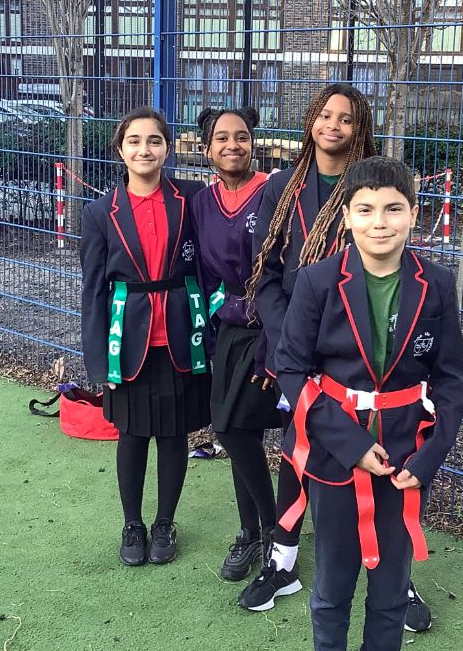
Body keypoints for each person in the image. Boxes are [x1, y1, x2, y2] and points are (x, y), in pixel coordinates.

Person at [274, 156, 463, 651]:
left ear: (414, 214)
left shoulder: (437, 283)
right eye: (365, 210)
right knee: (332, 588)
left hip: (406, 458)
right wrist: (351, 444)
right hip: (334, 455)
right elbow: (291, 367)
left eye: (393, 209)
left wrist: (429, 457)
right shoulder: (317, 281)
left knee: (390, 594)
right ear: (346, 217)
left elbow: (451, 379)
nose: (379, 222)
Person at [239, 83, 376, 612]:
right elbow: (266, 273)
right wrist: (287, 337)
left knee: (371, 450)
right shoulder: (282, 186)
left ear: (360, 128)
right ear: (310, 121)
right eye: (325, 114)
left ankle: (390, 571)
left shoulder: (371, 185)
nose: (332, 125)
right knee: (296, 451)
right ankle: (283, 562)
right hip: (295, 344)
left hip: (356, 344)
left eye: (345, 118)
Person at [80, 106, 211, 567]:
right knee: (132, 434)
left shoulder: (192, 199)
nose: (144, 149)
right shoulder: (100, 213)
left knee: (173, 434)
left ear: (168, 148)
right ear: (120, 149)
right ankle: (132, 523)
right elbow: (93, 289)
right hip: (127, 342)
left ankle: (165, 523)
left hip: (180, 337)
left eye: (154, 140)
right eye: (134, 141)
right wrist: (98, 359)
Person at [190, 106, 281, 581]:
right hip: (228, 327)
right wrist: (207, 331)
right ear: (207, 149)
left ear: (253, 142)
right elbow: (203, 275)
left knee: (233, 431)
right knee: (237, 430)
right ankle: (252, 533)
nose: (233, 145)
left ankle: (273, 532)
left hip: (269, 325)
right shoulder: (201, 203)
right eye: (222, 138)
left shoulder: (274, 191)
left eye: (241, 136)